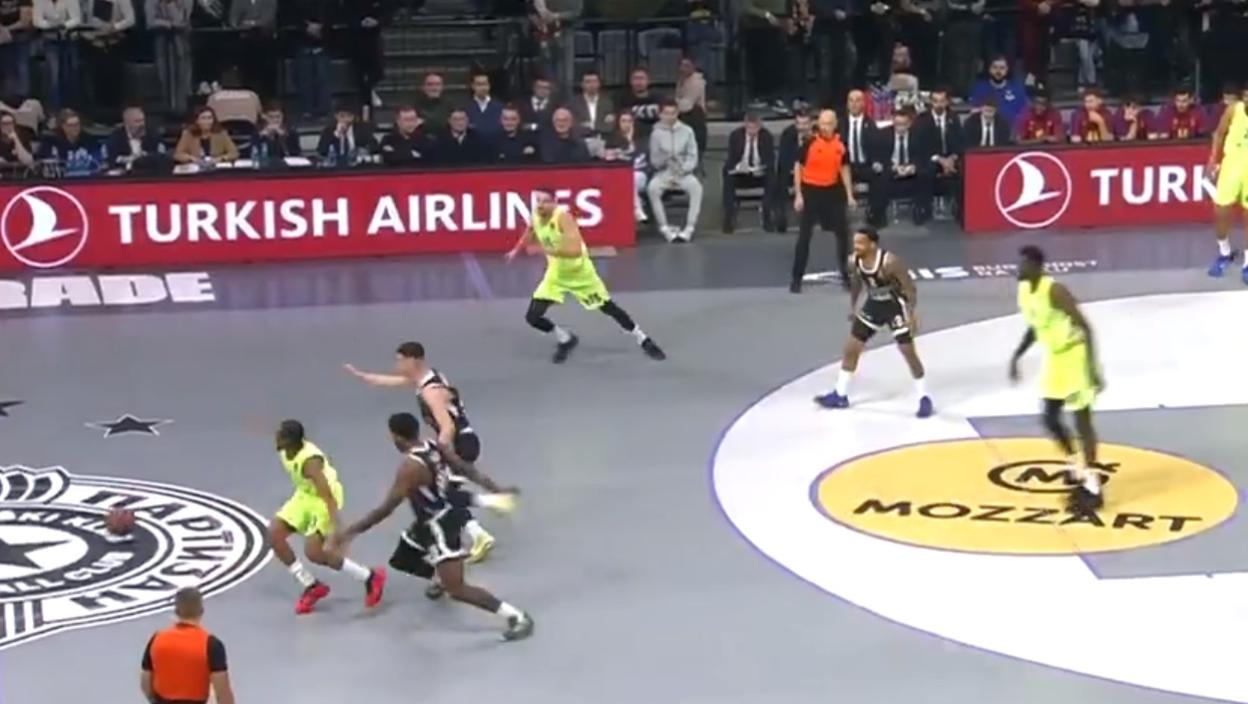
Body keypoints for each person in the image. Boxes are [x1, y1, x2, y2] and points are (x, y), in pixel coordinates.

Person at [333, 413, 534, 642]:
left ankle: (516, 616)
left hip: (439, 525)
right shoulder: (432, 446)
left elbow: (385, 509)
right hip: (434, 519)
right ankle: (442, 574)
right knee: (403, 557)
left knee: (457, 589)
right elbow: (465, 468)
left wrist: (350, 532)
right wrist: (496, 489)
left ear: (397, 437)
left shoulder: (410, 468)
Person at [342, 341, 497, 565]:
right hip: (465, 441)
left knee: (446, 495)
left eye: (400, 361)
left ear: (413, 360)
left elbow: (447, 427)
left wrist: (438, 453)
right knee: (447, 493)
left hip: (460, 443)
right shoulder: (427, 378)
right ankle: (478, 527)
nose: (397, 366)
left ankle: (481, 529)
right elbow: (393, 381)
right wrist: (364, 376)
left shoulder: (430, 392)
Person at [507, 187, 666, 364]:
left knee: (609, 308)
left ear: (555, 202)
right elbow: (530, 230)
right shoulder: (536, 215)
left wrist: (545, 250)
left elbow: (575, 251)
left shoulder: (563, 219)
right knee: (533, 317)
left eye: (545, 201)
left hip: (581, 274)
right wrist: (516, 250)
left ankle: (643, 339)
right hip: (556, 275)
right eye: (538, 201)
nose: (540, 205)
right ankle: (566, 338)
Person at [1009, 245, 1104, 514]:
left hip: (1075, 356)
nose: (1018, 268)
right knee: (1050, 417)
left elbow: (1085, 327)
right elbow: (1035, 326)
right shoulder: (1024, 290)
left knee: (1082, 420)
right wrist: (1017, 356)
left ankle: (1093, 485)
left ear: (1037, 267)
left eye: (1023, 264)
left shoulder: (1055, 291)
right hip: (1055, 358)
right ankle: (1076, 463)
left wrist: (1093, 370)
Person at [815, 226, 933, 418]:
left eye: (860, 243)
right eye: (855, 243)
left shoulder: (890, 262)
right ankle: (840, 394)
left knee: (908, 352)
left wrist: (911, 314)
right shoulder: (854, 261)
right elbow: (856, 283)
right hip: (874, 305)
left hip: (895, 306)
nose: (856, 246)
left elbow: (909, 288)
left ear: (872, 245)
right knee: (851, 348)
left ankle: (924, 397)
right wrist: (853, 306)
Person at [270, 419, 385, 614]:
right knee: (274, 534)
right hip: (305, 495)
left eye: (281, 435)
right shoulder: (285, 450)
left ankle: (370, 577)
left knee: (314, 553)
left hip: (324, 499)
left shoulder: (310, 462)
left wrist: (335, 523)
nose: (276, 436)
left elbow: (326, 493)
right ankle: (311, 585)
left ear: (291, 441)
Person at [791, 108, 855, 293]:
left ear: (835, 125)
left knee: (843, 235)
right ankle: (796, 278)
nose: (825, 127)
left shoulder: (840, 144)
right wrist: (798, 194)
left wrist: (849, 195)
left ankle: (846, 275)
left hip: (832, 192)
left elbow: (844, 169)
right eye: (822, 123)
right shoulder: (809, 143)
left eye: (829, 124)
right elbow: (798, 168)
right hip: (811, 192)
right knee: (804, 237)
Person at [140, 587, 235, 704]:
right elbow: (222, 692)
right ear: (201, 611)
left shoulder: (157, 639)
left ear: (176, 611)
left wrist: (155, 701)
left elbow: (145, 682)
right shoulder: (211, 644)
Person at [1206, 85, 1248, 281]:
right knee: (1221, 211)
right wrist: (1213, 159)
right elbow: (1219, 134)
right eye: (1246, 96)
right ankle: (1224, 252)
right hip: (1232, 166)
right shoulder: (1233, 110)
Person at [174, 106, 238, 164]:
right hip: (195, 168)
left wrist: (220, 159)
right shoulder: (188, 134)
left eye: (210, 118)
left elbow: (234, 153)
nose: (207, 121)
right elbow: (178, 155)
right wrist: (192, 159)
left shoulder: (221, 134)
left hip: (215, 169)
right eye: (203, 118)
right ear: (197, 121)